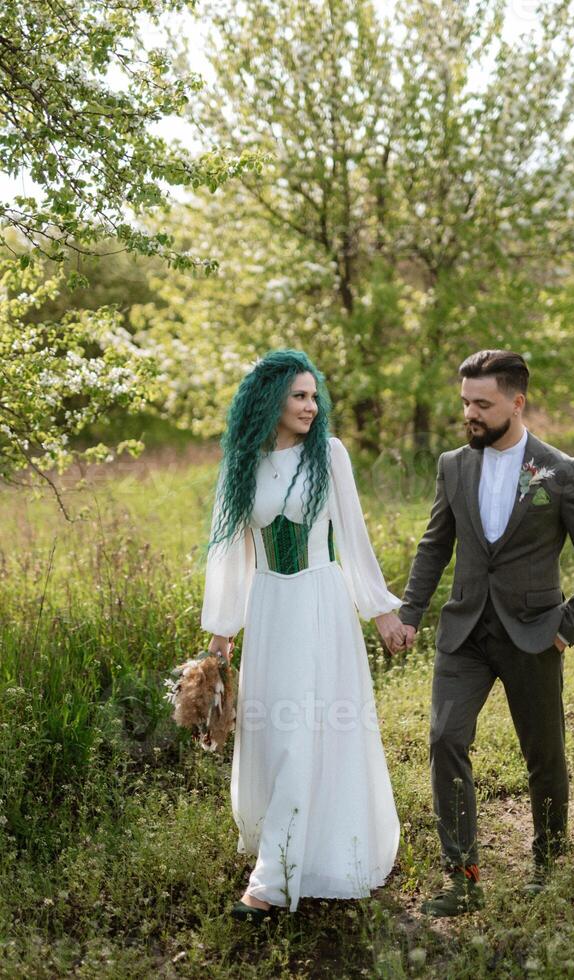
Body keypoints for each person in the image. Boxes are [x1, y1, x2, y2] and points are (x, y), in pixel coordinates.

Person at [386, 349, 574, 916]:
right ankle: (463, 876)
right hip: (464, 629)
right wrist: (411, 611)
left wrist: (568, 627)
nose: (471, 413)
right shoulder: (453, 465)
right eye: (465, 402)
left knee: (544, 753)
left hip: (535, 632)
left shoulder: (560, 471)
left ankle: (548, 860)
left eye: (482, 404)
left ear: (517, 403)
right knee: (445, 738)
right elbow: (435, 544)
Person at [200, 349, 404, 922]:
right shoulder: (243, 463)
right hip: (269, 607)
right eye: (300, 396)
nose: (312, 406)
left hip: (322, 604)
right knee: (274, 734)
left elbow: (355, 538)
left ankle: (270, 881)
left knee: (309, 733)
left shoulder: (329, 456)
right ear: (269, 401)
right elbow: (228, 553)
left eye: (315, 396)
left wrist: (380, 610)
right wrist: (220, 635)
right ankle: (287, 852)